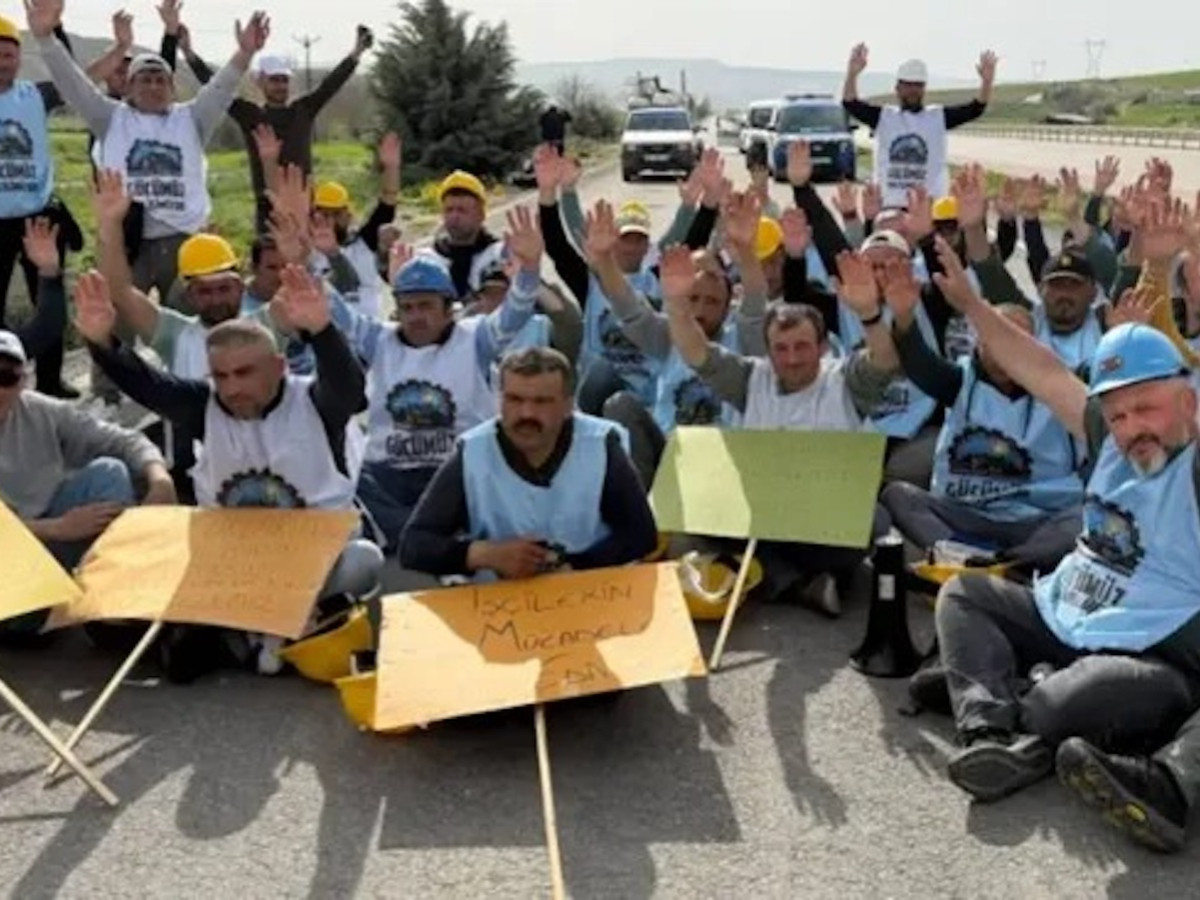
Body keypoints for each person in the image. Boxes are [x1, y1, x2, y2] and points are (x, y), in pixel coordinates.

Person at [925, 236, 1200, 810]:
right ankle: (988, 730)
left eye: (1146, 408)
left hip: (1150, 647)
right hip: (1068, 610)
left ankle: (1007, 693)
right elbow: (1038, 369)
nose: (1131, 428)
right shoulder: (1109, 437)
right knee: (962, 596)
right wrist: (974, 307)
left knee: (1063, 702)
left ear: (1189, 403)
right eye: (1118, 413)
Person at [78, 266, 383, 682]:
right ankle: (267, 632)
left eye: (245, 373)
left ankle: (245, 634)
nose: (232, 388)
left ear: (279, 367)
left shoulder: (315, 402)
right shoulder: (204, 405)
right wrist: (101, 341)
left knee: (362, 562)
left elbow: (350, 389)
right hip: (232, 561)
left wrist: (322, 330)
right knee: (111, 598)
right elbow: (149, 385)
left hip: (311, 559)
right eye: (221, 376)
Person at [660, 242, 899, 614]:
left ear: (822, 347)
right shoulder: (749, 378)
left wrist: (868, 313)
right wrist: (676, 302)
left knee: (872, 523)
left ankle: (763, 573)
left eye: (802, 347)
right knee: (698, 514)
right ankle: (800, 582)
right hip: (762, 512)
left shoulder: (847, 380)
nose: (792, 358)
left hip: (824, 515)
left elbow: (885, 359)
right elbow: (697, 352)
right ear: (768, 350)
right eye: (781, 348)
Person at [31, 2, 270, 305]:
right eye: (145, 79)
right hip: (129, 242)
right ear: (128, 87)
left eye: (161, 80)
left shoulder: (192, 118)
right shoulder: (109, 117)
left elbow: (221, 87)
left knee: (191, 321)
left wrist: (245, 53)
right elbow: (73, 83)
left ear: (172, 88)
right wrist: (44, 38)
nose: (153, 86)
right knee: (119, 324)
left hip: (184, 239)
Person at [353, 209, 543, 551]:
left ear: (448, 308)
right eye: (407, 307)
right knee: (349, 470)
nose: (416, 317)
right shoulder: (378, 339)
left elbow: (516, 312)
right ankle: (428, 538)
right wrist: (304, 260)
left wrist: (529, 271)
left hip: (457, 472)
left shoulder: (476, 338)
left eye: (426, 306)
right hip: (390, 475)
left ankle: (416, 538)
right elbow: (327, 311)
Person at [399, 347, 657, 582]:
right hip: (497, 603)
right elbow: (414, 545)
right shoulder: (473, 452)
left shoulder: (601, 445)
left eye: (541, 402)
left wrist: (575, 566)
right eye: (514, 399)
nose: (526, 414)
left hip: (585, 593)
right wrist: (486, 555)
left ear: (568, 405)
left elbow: (640, 535)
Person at [881, 299, 1083, 573]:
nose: (1006, 350)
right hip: (966, 514)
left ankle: (1008, 564)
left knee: (1086, 517)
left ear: (1036, 346)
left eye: (1016, 339)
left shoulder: (1061, 386)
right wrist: (904, 314)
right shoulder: (960, 380)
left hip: (1036, 518)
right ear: (979, 343)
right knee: (898, 496)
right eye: (996, 338)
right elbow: (920, 364)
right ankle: (963, 556)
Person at [0, 325, 174, 640]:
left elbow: (122, 440)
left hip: (48, 533)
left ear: (23, 380)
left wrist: (159, 478)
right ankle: (40, 613)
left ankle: (115, 604)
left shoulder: (41, 410)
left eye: (6, 378)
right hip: (10, 557)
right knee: (27, 626)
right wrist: (56, 527)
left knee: (108, 472)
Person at [593, 193, 766, 487]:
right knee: (620, 405)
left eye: (712, 302)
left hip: (727, 461)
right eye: (693, 299)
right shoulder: (669, 335)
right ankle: (643, 513)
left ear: (728, 309)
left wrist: (746, 250)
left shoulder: (744, 342)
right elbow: (629, 308)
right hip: (669, 452)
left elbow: (755, 303)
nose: (700, 310)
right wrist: (604, 260)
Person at [180, 25, 373, 234]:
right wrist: (189, 54)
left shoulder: (303, 110)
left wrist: (356, 54)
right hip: (268, 209)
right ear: (261, 81)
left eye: (284, 80)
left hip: (304, 204)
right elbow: (217, 87)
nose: (280, 86)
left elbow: (331, 84)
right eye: (274, 80)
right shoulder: (251, 116)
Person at [0, 12, 83, 398]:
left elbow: (67, 74)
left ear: (19, 59)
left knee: (48, 299)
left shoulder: (33, 95)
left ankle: (50, 382)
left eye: (9, 54)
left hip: (37, 217)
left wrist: (54, 27)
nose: (3, 60)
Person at [842, 43, 997, 207]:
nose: (913, 91)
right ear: (898, 88)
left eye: (918, 85)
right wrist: (852, 74)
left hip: (931, 207)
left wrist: (987, 82)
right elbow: (850, 103)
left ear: (924, 89)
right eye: (908, 85)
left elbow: (975, 109)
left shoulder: (938, 117)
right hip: (889, 207)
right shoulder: (884, 117)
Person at [307, 133, 401, 320]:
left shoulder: (366, 241)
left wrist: (391, 167)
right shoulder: (306, 250)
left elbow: (388, 202)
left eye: (336, 214)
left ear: (348, 215)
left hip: (367, 332)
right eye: (324, 214)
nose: (330, 221)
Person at [461, 258, 583, 371]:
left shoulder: (539, 326)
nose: (496, 299)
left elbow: (567, 321)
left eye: (502, 292)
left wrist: (529, 279)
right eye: (489, 294)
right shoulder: (472, 329)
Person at [430, 169, 505, 299]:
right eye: (449, 210)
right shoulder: (429, 259)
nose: (454, 216)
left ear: (481, 214)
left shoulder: (500, 255)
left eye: (462, 210)